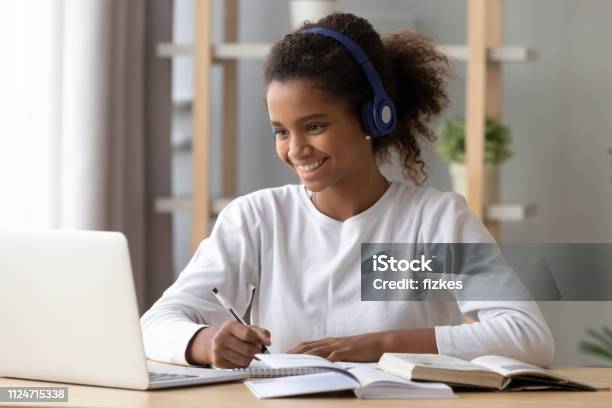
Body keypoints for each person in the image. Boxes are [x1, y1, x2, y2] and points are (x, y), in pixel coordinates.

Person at [140, 13, 554, 369]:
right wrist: (204, 343)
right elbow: (154, 325)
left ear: (374, 118)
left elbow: (528, 336)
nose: (296, 149)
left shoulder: (436, 219)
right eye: (281, 132)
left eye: (315, 126)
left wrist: (384, 345)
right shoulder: (256, 218)